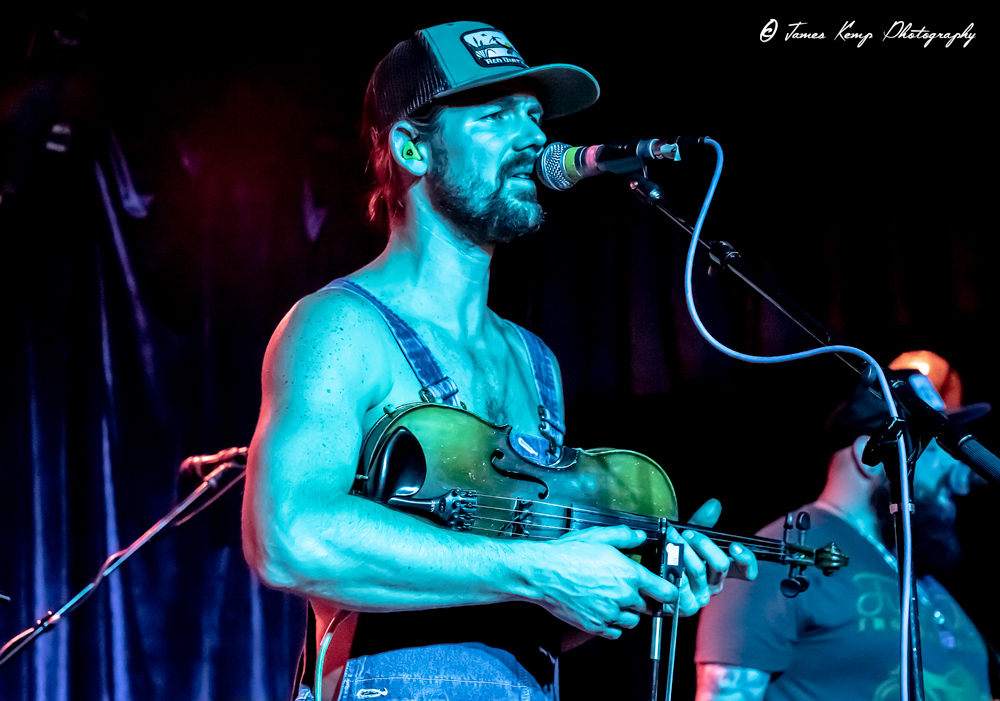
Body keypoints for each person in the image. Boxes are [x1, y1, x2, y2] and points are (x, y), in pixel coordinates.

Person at [240, 20, 757, 701]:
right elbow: (288, 536)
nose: (533, 138)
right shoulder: (341, 325)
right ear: (411, 148)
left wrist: (629, 584)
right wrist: (536, 570)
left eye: (534, 116)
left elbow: (514, 618)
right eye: (494, 117)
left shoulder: (533, 360)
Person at [694, 358, 993, 701]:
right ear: (870, 456)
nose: (956, 467)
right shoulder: (776, 556)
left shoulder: (914, 569)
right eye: (935, 448)